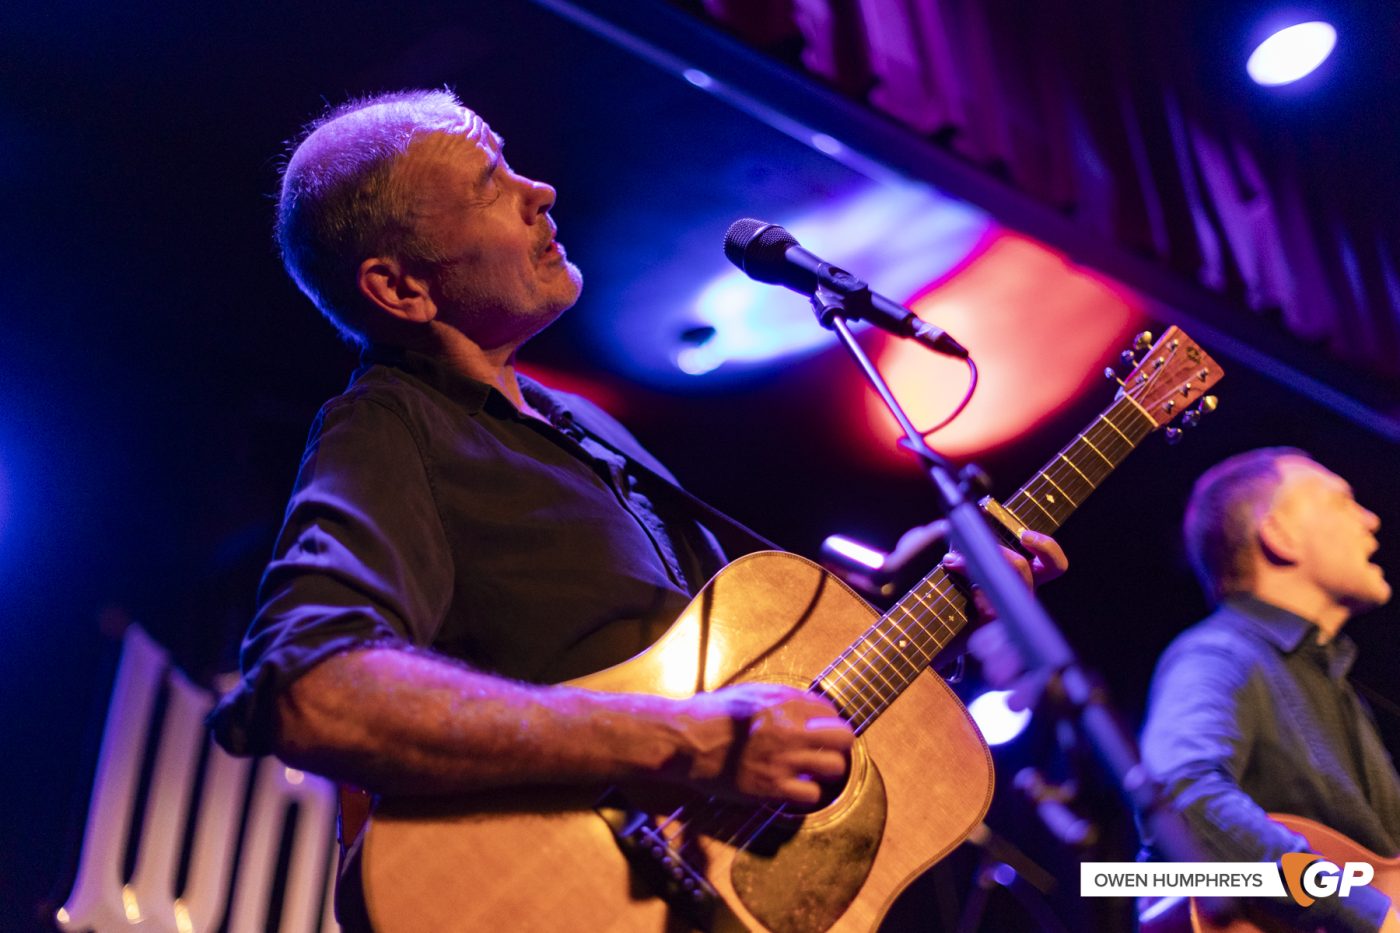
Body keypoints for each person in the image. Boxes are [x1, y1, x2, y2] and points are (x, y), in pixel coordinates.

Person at [207, 89, 1067, 926]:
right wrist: (688, 740)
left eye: (512, 165)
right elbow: (311, 686)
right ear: (401, 289)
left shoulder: (587, 427)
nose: (540, 191)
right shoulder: (391, 424)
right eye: (490, 185)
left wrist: (905, 612)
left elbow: (737, 692)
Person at [1137, 448, 1400, 932]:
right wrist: (1364, 914)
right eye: (1342, 502)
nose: (1371, 519)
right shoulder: (1219, 654)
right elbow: (1182, 794)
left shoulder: (1336, 686)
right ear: (1280, 536)